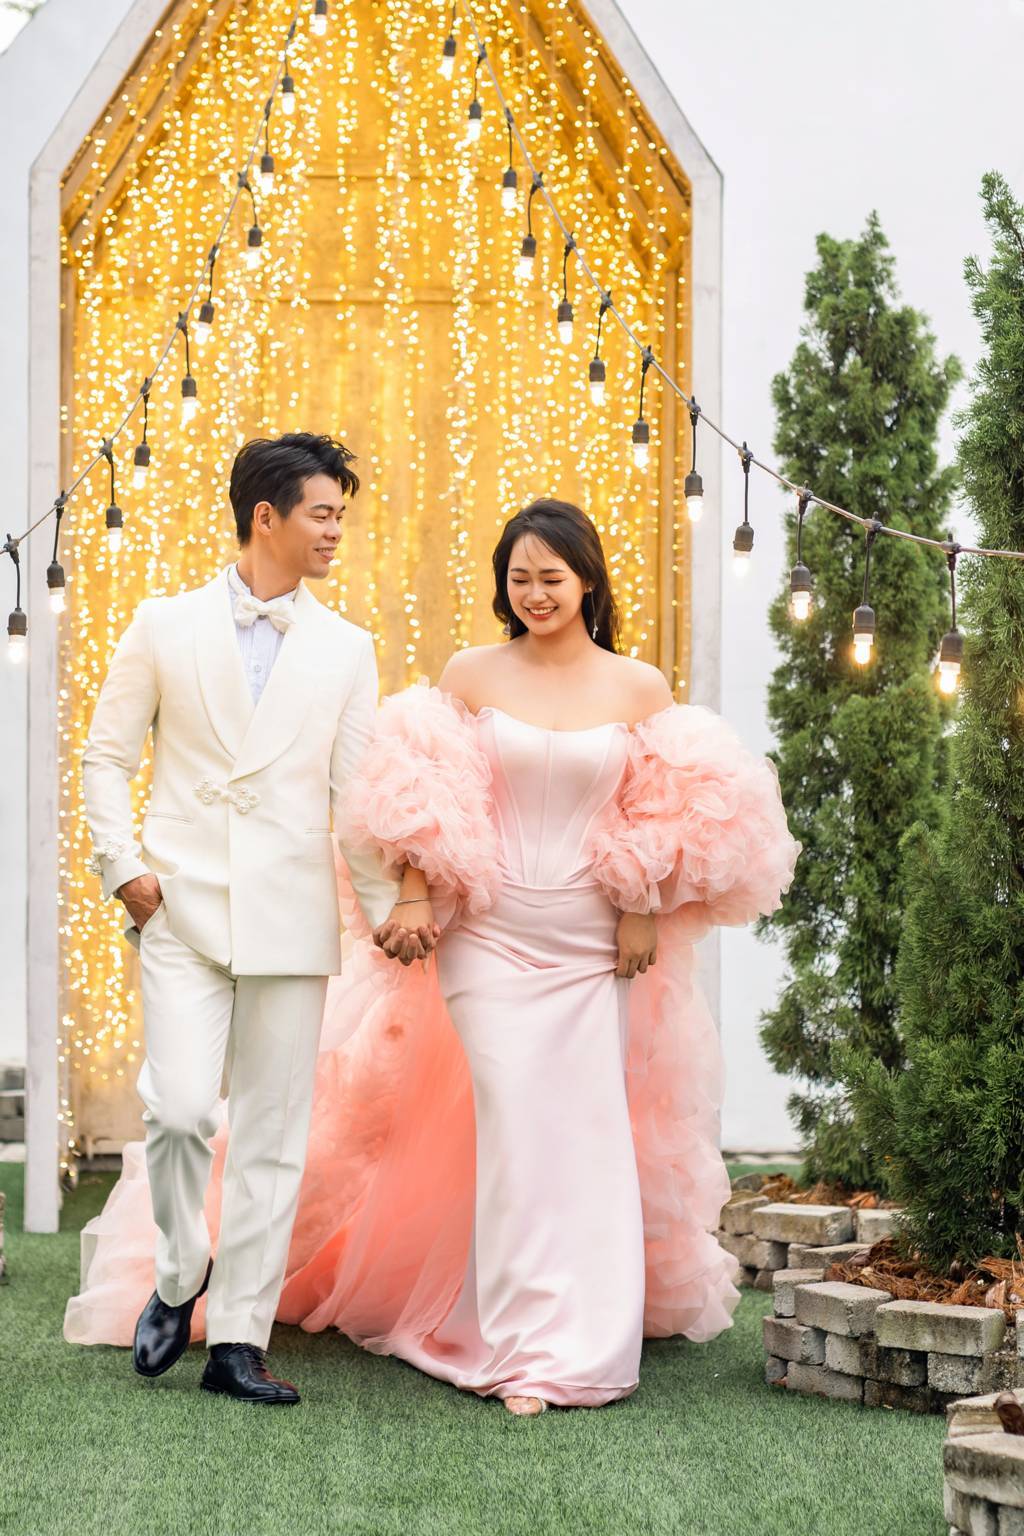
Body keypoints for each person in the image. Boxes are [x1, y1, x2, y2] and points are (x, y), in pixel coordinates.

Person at [66, 496, 800, 1417]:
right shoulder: (470, 674)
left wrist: (642, 904)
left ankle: (578, 1342)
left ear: (587, 582)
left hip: (588, 937)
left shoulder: (641, 688)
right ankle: (514, 1337)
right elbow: (421, 795)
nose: (535, 593)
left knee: (585, 1132)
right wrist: (410, 895)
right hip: (487, 934)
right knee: (512, 1118)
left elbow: (666, 809)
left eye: (552, 577)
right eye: (520, 578)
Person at [66, 432, 424, 1404]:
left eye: (342, 515)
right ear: (266, 517)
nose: (336, 531)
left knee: (272, 1137)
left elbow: (353, 795)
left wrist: (389, 909)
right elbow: (105, 758)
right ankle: (180, 1272)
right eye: (322, 513)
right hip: (179, 908)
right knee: (181, 1110)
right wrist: (125, 869)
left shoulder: (347, 649)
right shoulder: (162, 625)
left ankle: (237, 1342)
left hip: (290, 919)